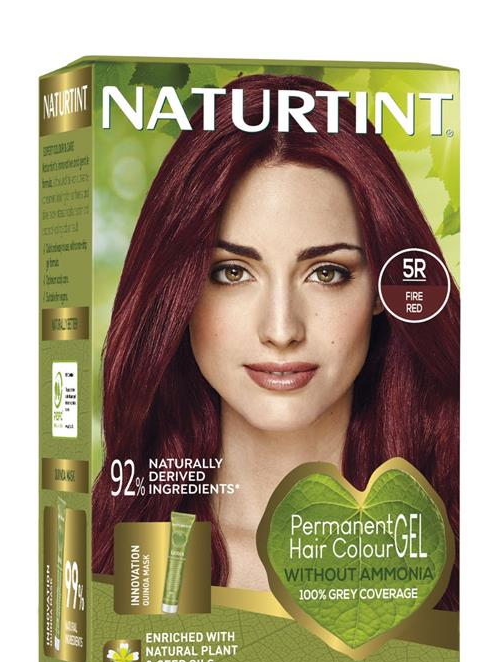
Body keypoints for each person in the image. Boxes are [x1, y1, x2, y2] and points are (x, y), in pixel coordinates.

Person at [92, 73, 460, 608]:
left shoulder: (457, 540)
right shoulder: (135, 556)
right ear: (179, 292)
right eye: (232, 272)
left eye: (327, 273)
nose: (282, 330)